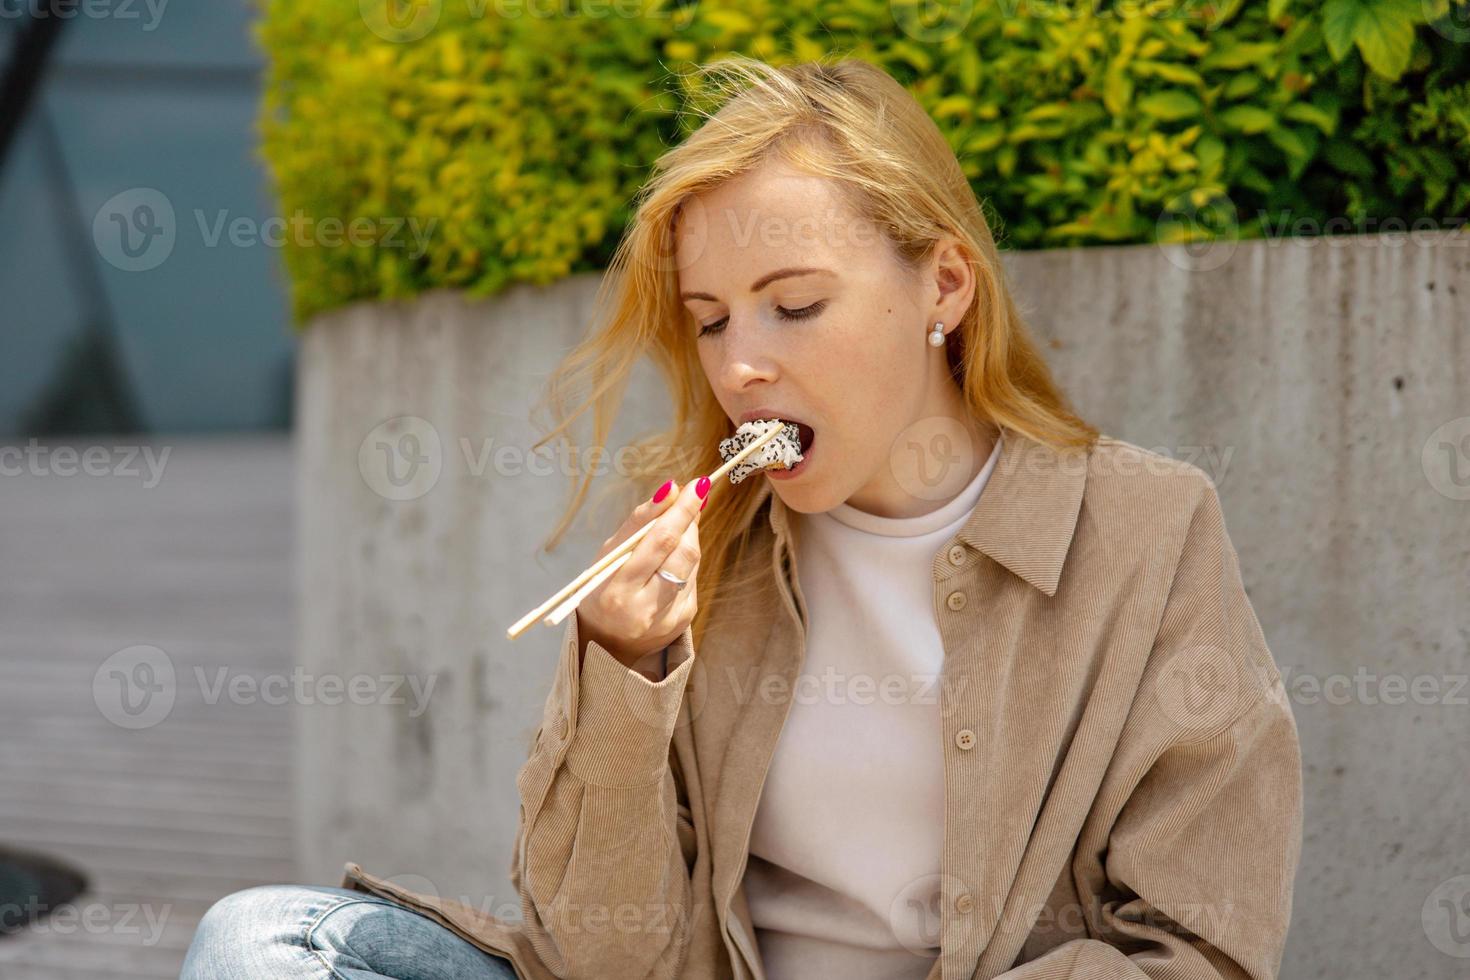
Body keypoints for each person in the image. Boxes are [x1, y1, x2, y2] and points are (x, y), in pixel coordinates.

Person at [183, 55, 1302, 980]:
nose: (743, 362)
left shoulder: (1146, 528)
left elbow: (1200, 943)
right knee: (260, 945)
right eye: (711, 320)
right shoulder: (698, 541)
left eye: (796, 304)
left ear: (945, 288)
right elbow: (595, 958)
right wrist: (625, 668)